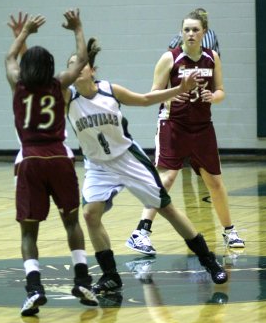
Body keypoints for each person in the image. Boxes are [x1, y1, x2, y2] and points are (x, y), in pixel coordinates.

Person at [65, 38, 228, 295]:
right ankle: (110, 276)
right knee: (90, 214)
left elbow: (144, 99)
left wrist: (178, 89)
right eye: (71, 67)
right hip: (98, 165)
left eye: (80, 66)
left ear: (92, 70)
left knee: (167, 209)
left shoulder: (109, 89)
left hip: (127, 159)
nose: (75, 71)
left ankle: (209, 261)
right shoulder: (67, 97)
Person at [5, 9, 99, 317]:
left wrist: (24, 33)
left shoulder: (18, 84)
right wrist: (77, 27)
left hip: (31, 160)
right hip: (59, 157)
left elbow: (9, 58)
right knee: (71, 222)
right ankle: (83, 280)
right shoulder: (59, 84)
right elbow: (82, 61)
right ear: (50, 67)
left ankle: (34, 289)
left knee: (29, 233)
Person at [128, 9, 244, 254]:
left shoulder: (212, 58)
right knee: (167, 178)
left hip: (202, 127)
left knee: (214, 181)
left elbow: (222, 90)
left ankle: (229, 231)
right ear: (181, 33)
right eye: (187, 30)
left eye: (195, 30)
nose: (191, 33)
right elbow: (152, 94)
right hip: (173, 124)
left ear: (204, 33)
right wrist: (175, 92)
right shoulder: (169, 59)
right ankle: (141, 231)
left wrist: (212, 96)